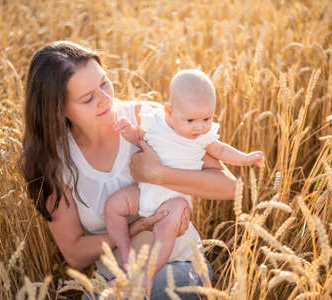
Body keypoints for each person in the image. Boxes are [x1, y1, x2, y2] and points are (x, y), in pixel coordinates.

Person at [19, 41, 238, 300]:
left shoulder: (150, 120)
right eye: (88, 98)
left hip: (179, 268)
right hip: (114, 282)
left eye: (104, 83)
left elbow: (230, 187)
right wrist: (131, 230)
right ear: (57, 110)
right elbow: (75, 253)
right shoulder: (55, 161)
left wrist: (158, 174)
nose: (106, 100)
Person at [104, 69, 264, 291]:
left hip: (174, 200)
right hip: (145, 190)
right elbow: (139, 137)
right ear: (169, 111)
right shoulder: (155, 123)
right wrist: (128, 131)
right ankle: (124, 251)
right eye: (190, 120)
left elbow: (222, 151)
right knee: (114, 205)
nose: (199, 127)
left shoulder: (203, 137)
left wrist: (245, 158)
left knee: (166, 229)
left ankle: (148, 273)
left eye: (207, 119)